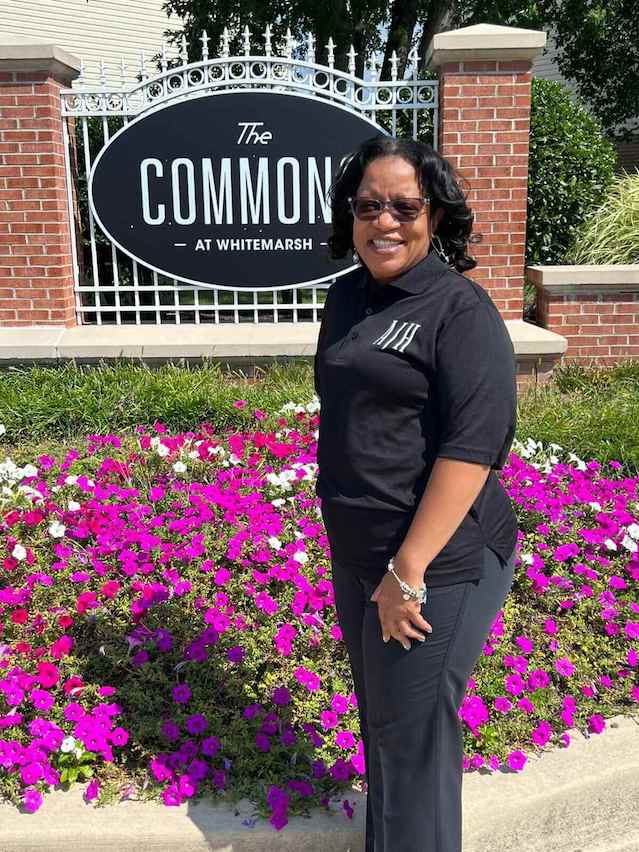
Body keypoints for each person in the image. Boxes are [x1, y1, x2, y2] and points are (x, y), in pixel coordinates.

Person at [313, 136, 519, 852]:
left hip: (437, 563)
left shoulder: (457, 309)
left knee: (414, 738)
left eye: (404, 205)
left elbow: (473, 448)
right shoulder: (346, 297)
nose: (385, 221)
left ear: (434, 216)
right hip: (362, 555)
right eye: (369, 205)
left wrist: (406, 572)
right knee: (387, 729)